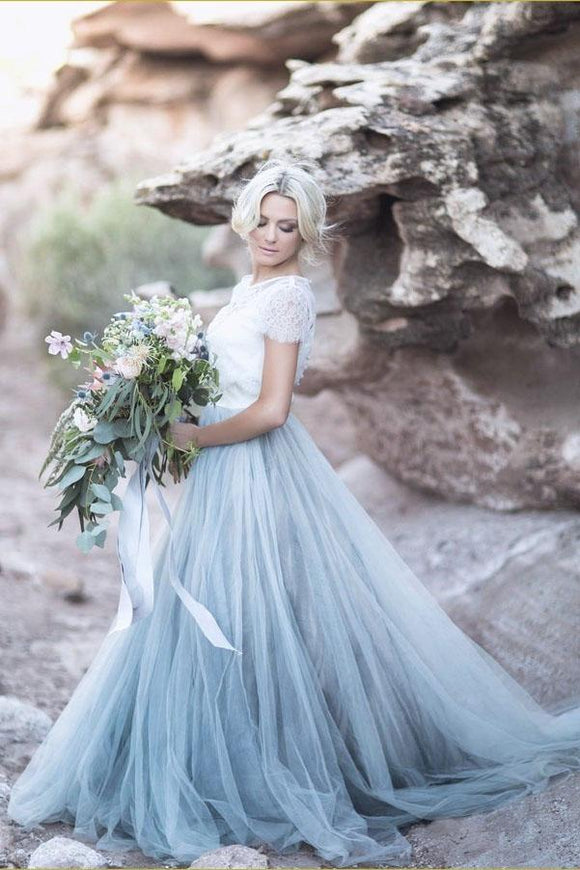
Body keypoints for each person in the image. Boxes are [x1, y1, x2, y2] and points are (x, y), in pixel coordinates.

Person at [7, 158, 580, 869]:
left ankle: (263, 774)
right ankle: (197, 762)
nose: (271, 235)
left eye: (288, 226)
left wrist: (193, 438)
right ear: (244, 220)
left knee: (245, 615)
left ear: (305, 235)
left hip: (258, 471)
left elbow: (273, 409)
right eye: (263, 221)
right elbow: (224, 384)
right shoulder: (248, 289)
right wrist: (156, 404)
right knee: (202, 610)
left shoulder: (289, 298)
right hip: (223, 469)